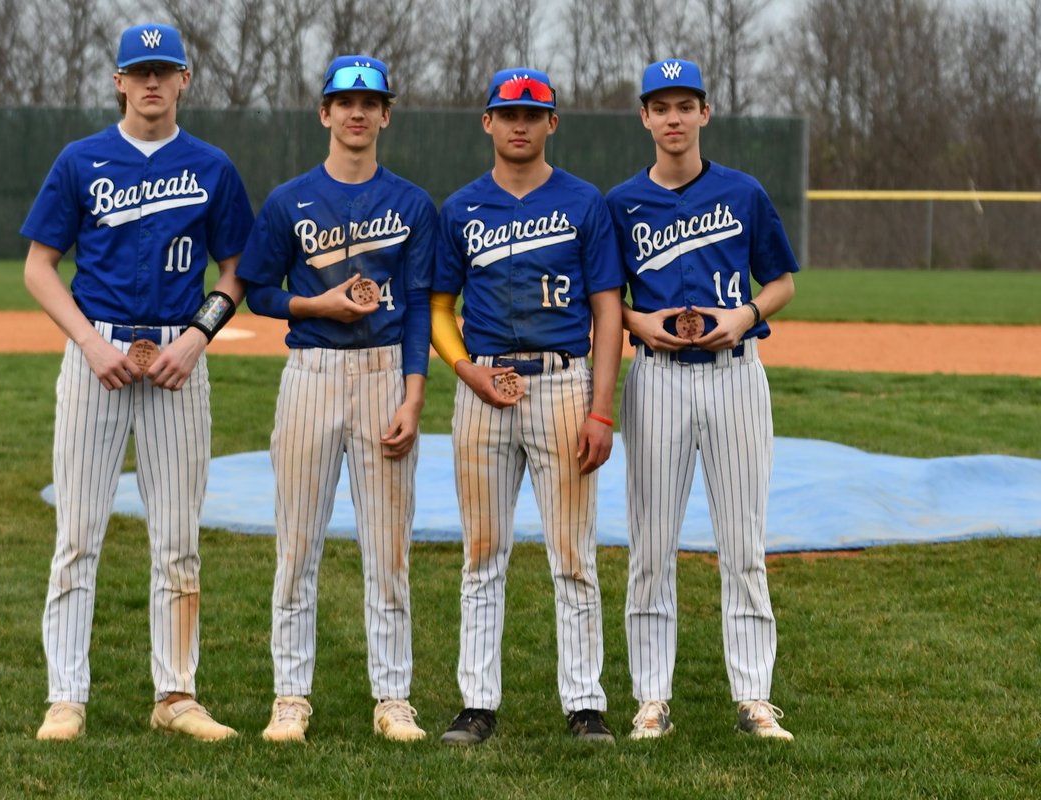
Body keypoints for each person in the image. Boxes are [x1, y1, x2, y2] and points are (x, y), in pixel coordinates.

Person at [21, 23, 254, 742]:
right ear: (118, 81)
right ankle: (66, 696)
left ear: (186, 79)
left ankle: (175, 695)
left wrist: (198, 335)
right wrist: (89, 343)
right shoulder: (81, 159)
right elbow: (39, 266)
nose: (151, 83)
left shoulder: (212, 166)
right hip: (100, 359)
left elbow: (237, 270)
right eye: (138, 71)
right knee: (78, 535)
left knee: (178, 539)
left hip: (178, 364)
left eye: (164, 70)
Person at [237, 55, 437, 744]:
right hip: (312, 373)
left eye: (370, 101)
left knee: (389, 551)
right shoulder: (289, 200)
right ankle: (290, 697)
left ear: (385, 114)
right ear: (324, 113)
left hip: (384, 372)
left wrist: (413, 397)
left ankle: (393, 698)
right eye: (344, 101)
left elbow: (416, 310)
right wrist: (314, 302)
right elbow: (257, 288)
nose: (357, 112)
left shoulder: (412, 204)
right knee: (297, 548)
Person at [605, 58, 798, 741]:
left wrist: (746, 314)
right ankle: (651, 698)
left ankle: (753, 696)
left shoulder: (743, 192)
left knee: (743, 542)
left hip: (735, 373)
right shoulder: (622, 203)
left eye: (686, 104)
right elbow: (606, 300)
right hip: (656, 374)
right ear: (646, 118)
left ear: (704, 114)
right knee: (652, 546)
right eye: (662, 106)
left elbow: (781, 281)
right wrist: (637, 321)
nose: (675, 117)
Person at [431, 68, 624, 745]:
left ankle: (585, 703)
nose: (519, 123)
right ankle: (477, 702)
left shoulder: (584, 202)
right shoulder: (460, 209)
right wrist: (464, 371)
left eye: (531, 113)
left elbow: (608, 309)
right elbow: (438, 308)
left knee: (573, 556)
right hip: (484, 386)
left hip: (563, 384)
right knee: (482, 554)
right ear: (487, 122)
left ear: (551, 123)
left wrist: (602, 410)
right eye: (506, 112)